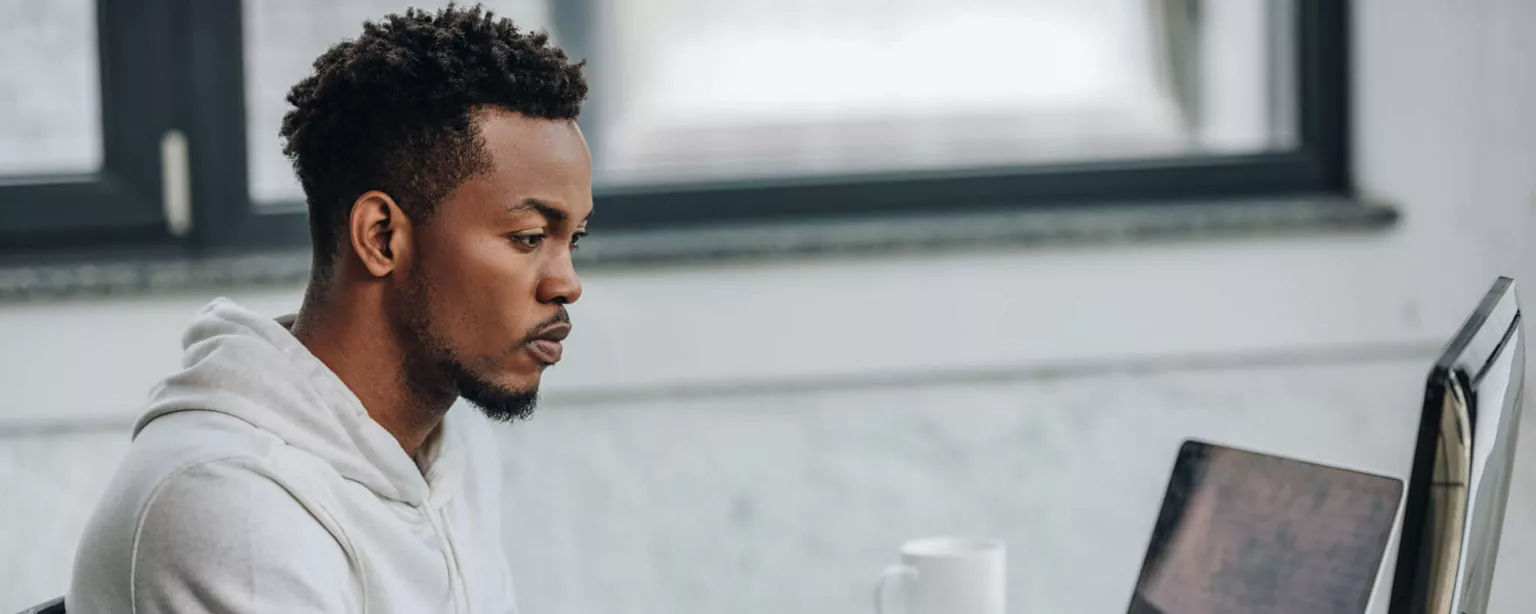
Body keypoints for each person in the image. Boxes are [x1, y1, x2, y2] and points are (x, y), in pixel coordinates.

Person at [66, 5, 590, 612]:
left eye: (573, 239)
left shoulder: (449, 446)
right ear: (382, 237)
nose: (567, 283)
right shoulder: (232, 501)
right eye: (529, 237)